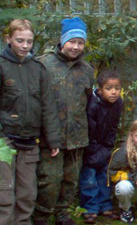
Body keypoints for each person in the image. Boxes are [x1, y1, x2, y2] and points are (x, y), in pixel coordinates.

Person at [34, 17, 94, 225]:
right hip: (50, 137)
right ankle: (41, 216)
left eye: (80, 42)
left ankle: (62, 214)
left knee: (70, 179)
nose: (76, 47)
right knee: (49, 180)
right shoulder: (43, 64)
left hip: (77, 136)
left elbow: (88, 101)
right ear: (62, 41)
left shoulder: (86, 69)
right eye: (72, 41)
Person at [0, 19, 61, 225]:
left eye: (29, 41)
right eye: (19, 40)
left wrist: (53, 139)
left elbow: (48, 106)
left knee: (27, 193)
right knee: (4, 192)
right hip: (4, 141)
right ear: (8, 39)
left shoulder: (38, 69)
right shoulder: (2, 65)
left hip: (29, 140)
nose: (25, 46)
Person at [79, 70, 123, 224]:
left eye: (117, 88)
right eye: (109, 88)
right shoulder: (93, 104)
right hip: (91, 147)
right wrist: (92, 149)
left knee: (105, 177)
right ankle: (90, 208)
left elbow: (114, 126)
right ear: (100, 89)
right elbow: (89, 128)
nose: (113, 92)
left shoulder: (118, 103)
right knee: (89, 179)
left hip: (105, 146)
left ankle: (106, 205)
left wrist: (108, 145)